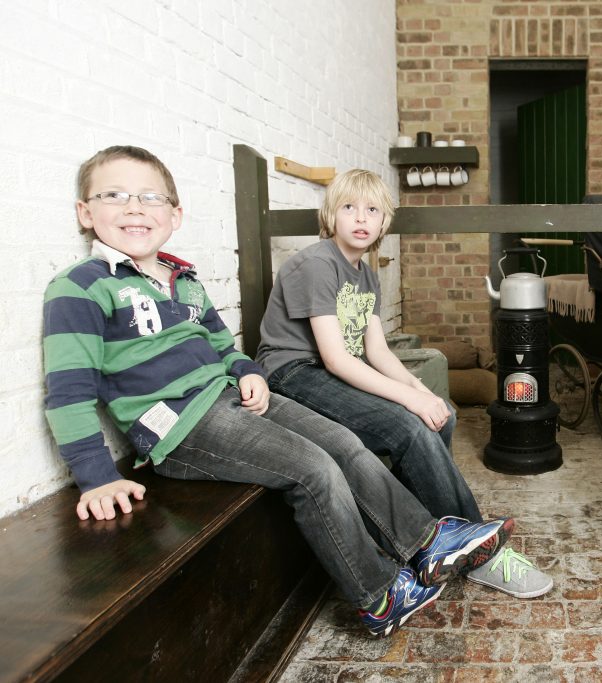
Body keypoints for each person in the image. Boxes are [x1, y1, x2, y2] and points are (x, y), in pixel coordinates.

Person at [43, 145, 515, 638]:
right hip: (180, 424)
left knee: (344, 444)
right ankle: (377, 594)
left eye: (150, 197)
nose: (135, 207)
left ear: (175, 214)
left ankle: (427, 542)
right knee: (314, 469)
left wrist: (245, 370)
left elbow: (223, 344)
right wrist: (95, 477)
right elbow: (67, 392)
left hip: (233, 396)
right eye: (115, 195)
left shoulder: (183, 279)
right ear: (85, 211)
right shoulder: (80, 287)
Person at [256, 168, 553, 599]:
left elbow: (376, 351)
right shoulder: (316, 263)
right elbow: (337, 359)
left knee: (441, 414)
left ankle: (430, 540)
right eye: (349, 208)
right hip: (292, 374)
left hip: (328, 369)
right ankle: (480, 554)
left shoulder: (366, 275)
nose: (361, 217)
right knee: (409, 425)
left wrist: (423, 390)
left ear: (383, 221)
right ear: (331, 215)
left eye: (372, 209)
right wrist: (410, 403)